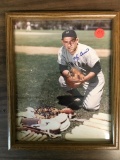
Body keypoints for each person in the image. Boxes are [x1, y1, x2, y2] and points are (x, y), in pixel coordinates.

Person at [57, 30, 105, 111]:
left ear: (77, 40)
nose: (69, 45)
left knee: (90, 107)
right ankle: (77, 96)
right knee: (62, 80)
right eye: (66, 42)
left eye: (72, 41)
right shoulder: (62, 51)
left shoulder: (86, 51)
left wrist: (84, 80)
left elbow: (97, 67)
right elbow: (62, 67)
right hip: (79, 76)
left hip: (93, 80)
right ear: (62, 42)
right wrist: (69, 77)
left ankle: (93, 94)